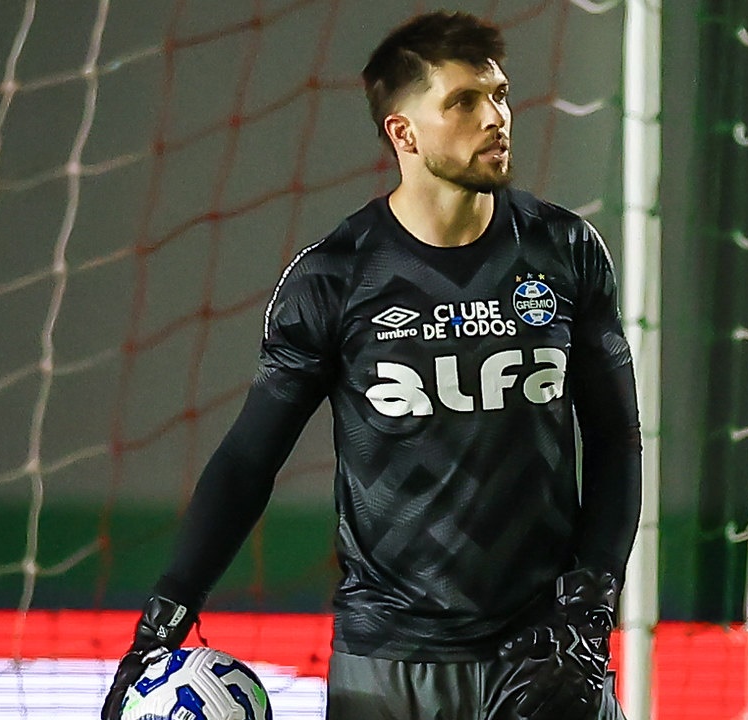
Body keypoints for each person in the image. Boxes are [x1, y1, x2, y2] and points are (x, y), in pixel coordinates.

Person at [100, 10, 641, 720]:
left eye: (500, 94)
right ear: (403, 132)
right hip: (387, 667)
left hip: (546, 654)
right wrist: (164, 618)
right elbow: (246, 462)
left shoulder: (565, 251)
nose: (496, 117)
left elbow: (615, 441)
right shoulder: (333, 279)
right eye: (464, 101)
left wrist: (590, 607)